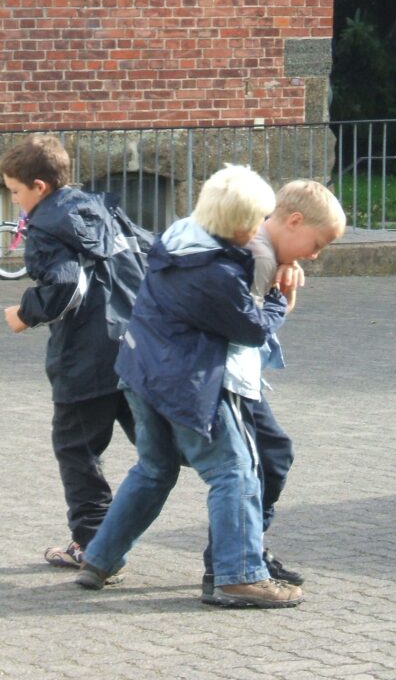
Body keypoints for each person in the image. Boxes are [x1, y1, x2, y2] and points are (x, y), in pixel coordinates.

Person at [75, 164, 303, 608]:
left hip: (141, 371)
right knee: (234, 472)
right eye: (257, 221)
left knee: (154, 470)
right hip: (188, 381)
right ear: (240, 226)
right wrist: (279, 298)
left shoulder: (179, 238)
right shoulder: (214, 273)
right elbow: (252, 329)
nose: (261, 230)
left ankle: (100, 558)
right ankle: (238, 577)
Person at [0, 133, 145, 568]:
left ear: (39, 188)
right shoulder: (100, 208)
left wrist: (25, 313)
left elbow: (65, 286)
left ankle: (92, 542)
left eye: (15, 192)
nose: (14, 203)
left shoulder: (46, 226)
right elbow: (147, 252)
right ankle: (237, 507)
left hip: (86, 357)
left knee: (76, 448)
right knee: (162, 448)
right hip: (135, 347)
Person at [202, 177, 347, 600]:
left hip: (234, 376)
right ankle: (235, 562)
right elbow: (251, 328)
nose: (315, 255)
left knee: (260, 461)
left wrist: (288, 271)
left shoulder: (264, 250)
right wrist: (281, 296)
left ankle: (242, 554)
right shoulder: (259, 256)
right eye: (316, 244)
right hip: (229, 379)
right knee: (258, 463)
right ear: (294, 221)